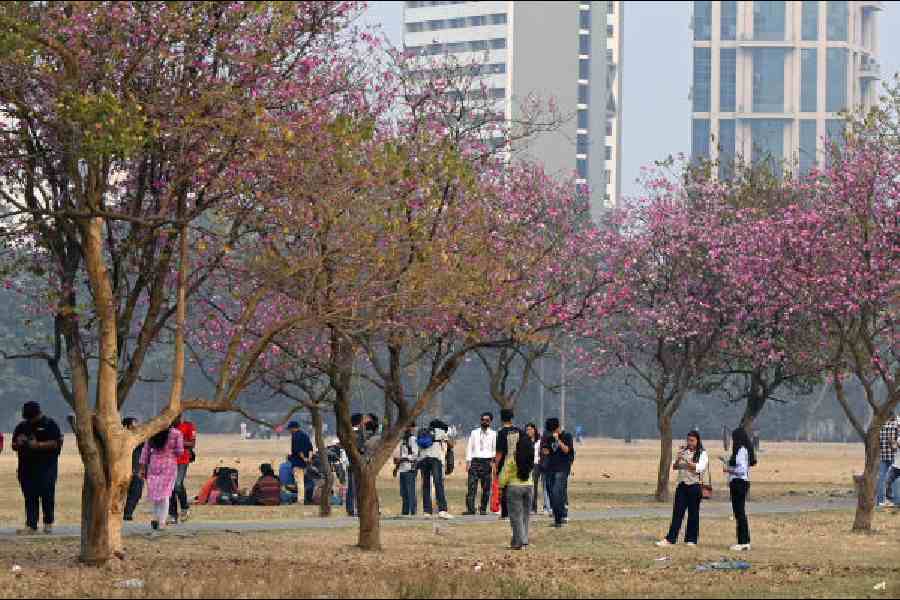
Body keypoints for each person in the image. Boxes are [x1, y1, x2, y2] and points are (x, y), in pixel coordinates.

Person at [12, 401, 63, 535]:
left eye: (31, 418)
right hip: (26, 467)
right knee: (29, 496)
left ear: (38, 414)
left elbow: (56, 443)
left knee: (47, 494)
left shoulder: (49, 424)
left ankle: (48, 523)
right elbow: (14, 445)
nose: (30, 421)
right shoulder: (22, 426)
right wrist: (18, 443)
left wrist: (38, 445)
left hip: (46, 466)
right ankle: (31, 525)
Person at [656, 430, 709, 547]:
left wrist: (685, 461)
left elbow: (698, 468)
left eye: (692, 440)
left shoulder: (702, 454)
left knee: (693, 514)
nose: (689, 443)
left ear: (697, 441)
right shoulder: (683, 451)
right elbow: (675, 466)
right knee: (677, 513)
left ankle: (691, 540)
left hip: (695, 486)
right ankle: (670, 539)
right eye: (688, 440)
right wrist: (679, 457)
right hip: (682, 486)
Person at [139, 422, 184, 530]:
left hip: (154, 464)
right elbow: (179, 451)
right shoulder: (176, 433)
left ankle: (155, 518)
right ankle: (162, 522)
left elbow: (145, 452)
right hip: (169, 465)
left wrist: (142, 467)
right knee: (165, 494)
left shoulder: (153, 433)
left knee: (156, 493)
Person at [499, 425, 535, 550]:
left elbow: (505, 475)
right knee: (525, 516)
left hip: (514, 488)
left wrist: (500, 485)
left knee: (516, 517)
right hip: (529, 486)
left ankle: (519, 542)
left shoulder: (512, 456)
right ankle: (521, 541)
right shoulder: (529, 452)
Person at [725, 427, 756, 551]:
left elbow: (741, 469)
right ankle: (744, 541)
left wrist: (728, 470)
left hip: (739, 482)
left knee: (739, 513)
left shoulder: (741, 450)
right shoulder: (744, 450)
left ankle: (743, 542)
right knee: (739, 513)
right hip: (740, 482)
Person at [541, 417, 574, 528]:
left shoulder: (567, 436)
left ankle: (562, 516)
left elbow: (567, 450)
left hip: (563, 469)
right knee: (551, 493)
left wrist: (558, 441)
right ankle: (557, 518)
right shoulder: (549, 437)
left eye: (553, 431)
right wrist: (545, 445)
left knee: (557, 492)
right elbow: (546, 451)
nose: (553, 433)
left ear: (558, 428)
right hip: (551, 468)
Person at [419, 419, 454, 519]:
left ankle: (427, 511)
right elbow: (451, 444)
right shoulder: (440, 431)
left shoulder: (423, 431)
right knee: (438, 483)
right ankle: (442, 510)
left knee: (426, 485)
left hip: (424, 459)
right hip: (435, 459)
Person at [464, 412, 496, 516]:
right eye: (483, 420)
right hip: (475, 460)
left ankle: (483, 509)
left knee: (486, 488)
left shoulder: (493, 434)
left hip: (487, 461)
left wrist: (493, 462)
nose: (484, 422)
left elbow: (494, 449)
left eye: (487, 420)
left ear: (490, 421)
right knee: (471, 486)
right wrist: (468, 461)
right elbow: (470, 446)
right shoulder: (474, 433)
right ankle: (470, 509)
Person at [168, 414, 196, 524]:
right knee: (170, 487)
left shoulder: (188, 426)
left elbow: (192, 443)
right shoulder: (167, 427)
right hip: (169, 460)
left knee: (177, 485)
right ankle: (173, 515)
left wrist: (177, 442)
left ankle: (184, 508)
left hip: (183, 459)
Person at [494, 408, 518, 519]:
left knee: (504, 489)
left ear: (501, 418)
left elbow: (499, 452)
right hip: (516, 463)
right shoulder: (517, 431)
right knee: (514, 488)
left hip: (505, 464)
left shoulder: (502, 432)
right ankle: (515, 511)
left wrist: (496, 465)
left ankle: (505, 514)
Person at [392, 422, 419, 516]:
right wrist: (396, 468)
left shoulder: (413, 439)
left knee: (410, 491)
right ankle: (405, 512)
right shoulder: (403, 440)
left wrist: (402, 458)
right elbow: (401, 455)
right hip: (402, 469)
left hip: (409, 469)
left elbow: (415, 455)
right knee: (403, 493)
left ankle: (413, 512)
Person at [122, 417, 144, 521]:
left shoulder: (140, 438)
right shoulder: (122, 438)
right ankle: (124, 513)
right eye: (134, 424)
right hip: (125, 469)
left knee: (137, 492)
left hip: (137, 469)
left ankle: (127, 514)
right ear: (127, 426)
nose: (137, 426)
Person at [287, 421, 314, 503]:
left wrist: (303, 458)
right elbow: (310, 448)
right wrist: (309, 458)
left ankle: (301, 500)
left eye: (290, 429)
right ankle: (305, 498)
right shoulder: (306, 435)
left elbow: (298, 450)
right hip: (306, 463)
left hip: (297, 462)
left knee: (299, 482)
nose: (289, 430)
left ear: (293, 428)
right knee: (304, 481)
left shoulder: (295, 436)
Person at [877, 412, 899, 507]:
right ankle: (894, 501)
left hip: (885, 455)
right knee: (892, 480)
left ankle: (881, 501)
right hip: (894, 456)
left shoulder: (881, 424)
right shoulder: (897, 423)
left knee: (883, 479)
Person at [345, 413, 364, 516]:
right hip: (355, 464)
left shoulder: (349, 433)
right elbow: (360, 448)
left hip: (350, 463)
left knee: (351, 487)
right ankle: (354, 508)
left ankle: (350, 508)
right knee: (354, 487)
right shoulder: (357, 434)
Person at [525, 423, 543, 514]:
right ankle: (526, 507)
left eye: (531, 429)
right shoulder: (524, 441)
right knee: (525, 487)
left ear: (534, 430)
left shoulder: (539, 441)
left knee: (533, 487)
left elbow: (541, 454)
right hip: (526, 465)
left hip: (536, 464)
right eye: (527, 429)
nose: (529, 431)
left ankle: (533, 507)